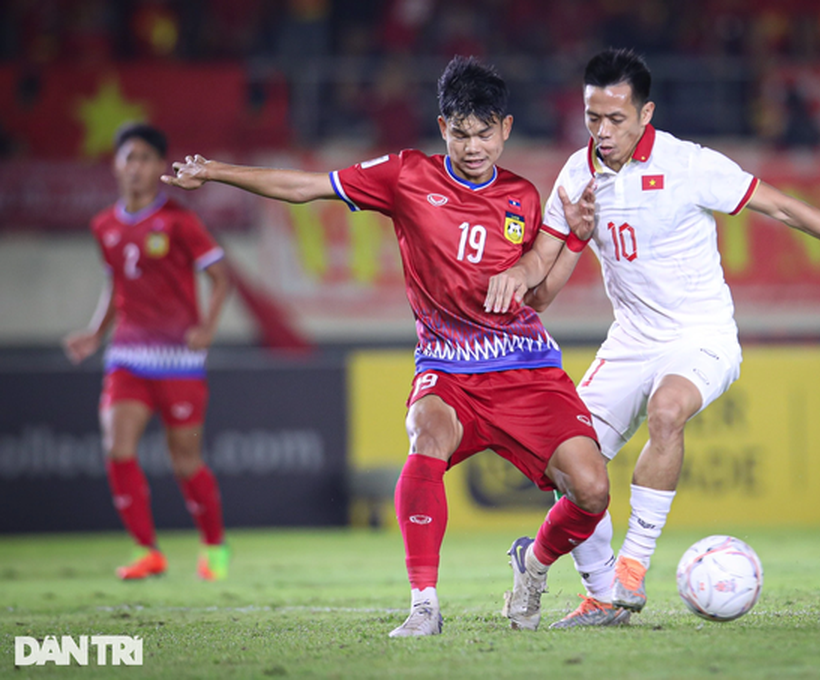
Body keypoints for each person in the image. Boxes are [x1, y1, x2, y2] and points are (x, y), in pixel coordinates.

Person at [160, 56, 610, 637]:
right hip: (449, 367)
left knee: (592, 490)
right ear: (443, 127)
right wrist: (217, 171)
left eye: (484, 133)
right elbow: (305, 188)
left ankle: (534, 564)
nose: (473, 147)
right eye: (461, 133)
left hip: (526, 368)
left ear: (505, 129)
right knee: (426, 434)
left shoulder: (522, 197)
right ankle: (424, 605)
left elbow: (540, 296)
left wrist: (574, 239)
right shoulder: (406, 175)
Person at [528, 48, 820, 628]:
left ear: (645, 114)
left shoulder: (689, 164)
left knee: (667, 412)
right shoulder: (574, 176)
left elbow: (782, 208)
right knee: (568, 463)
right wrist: (574, 239)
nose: (603, 132)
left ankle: (631, 569)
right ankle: (602, 594)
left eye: (615, 119)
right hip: (631, 339)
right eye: (593, 118)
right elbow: (540, 295)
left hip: (701, 334)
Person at [64, 123, 233, 581]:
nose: (135, 167)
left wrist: (207, 327)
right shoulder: (104, 225)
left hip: (179, 360)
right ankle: (147, 551)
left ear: (159, 166)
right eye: (128, 158)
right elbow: (115, 284)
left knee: (185, 460)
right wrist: (95, 333)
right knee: (117, 447)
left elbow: (221, 278)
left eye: (144, 158)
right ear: (116, 165)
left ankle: (214, 545)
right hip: (127, 355)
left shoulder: (180, 221)